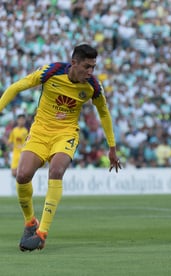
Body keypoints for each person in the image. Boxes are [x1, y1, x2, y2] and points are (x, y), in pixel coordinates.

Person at [0, 44, 122, 252]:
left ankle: (42, 233)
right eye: (87, 66)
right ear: (74, 63)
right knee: (22, 176)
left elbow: (104, 113)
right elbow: (15, 87)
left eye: (93, 67)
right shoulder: (51, 72)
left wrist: (112, 147)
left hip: (66, 134)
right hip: (40, 132)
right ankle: (30, 223)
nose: (91, 72)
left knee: (56, 171)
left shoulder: (92, 86)